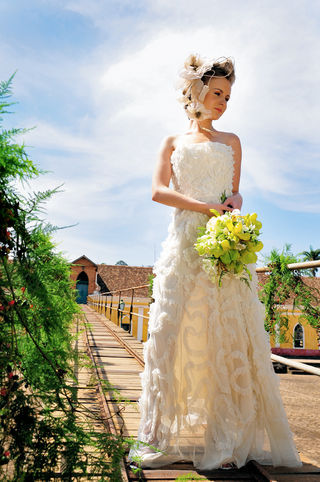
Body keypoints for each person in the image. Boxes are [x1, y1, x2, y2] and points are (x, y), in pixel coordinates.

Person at [127, 53, 302, 471]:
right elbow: (157, 191)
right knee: (168, 333)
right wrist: (203, 208)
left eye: (228, 95)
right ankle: (152, 435)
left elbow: (235, 194)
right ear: (197, 92)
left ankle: (225, 438)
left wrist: (229, 207)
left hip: (223, 248)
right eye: (218, 93)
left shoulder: (232, 142)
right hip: (184, 244)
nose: (223, 101)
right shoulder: (172, 143)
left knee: (226, 334)